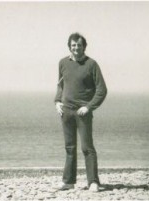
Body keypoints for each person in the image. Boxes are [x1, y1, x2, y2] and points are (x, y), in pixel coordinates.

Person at [54, 32, 107, 192]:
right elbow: (60, 85)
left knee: (87, 148)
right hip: (66, 112)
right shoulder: (63, 63)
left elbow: (102, 90)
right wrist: (57, 101)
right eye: (73, 45)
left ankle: (93, 182)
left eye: (79, 45)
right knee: (70, 147)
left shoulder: (91, 64)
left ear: (84, 46)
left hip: (83, 113)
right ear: (70, 46)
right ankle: (68, 181)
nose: (76, 48)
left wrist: (89, 107)